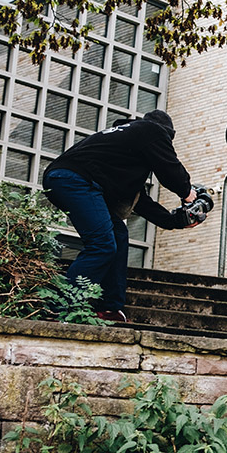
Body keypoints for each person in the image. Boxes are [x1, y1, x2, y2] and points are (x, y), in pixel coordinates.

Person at [43, 109, 202, 323]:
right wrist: (187, 192)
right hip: (75, 180)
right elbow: (169, 168)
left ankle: (109, 308)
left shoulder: (125, 148)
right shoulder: (150, 129)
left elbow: (141, 201)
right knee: (101, 244)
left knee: (118, 234)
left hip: (67, 179)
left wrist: (175, 222)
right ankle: (58, 308)